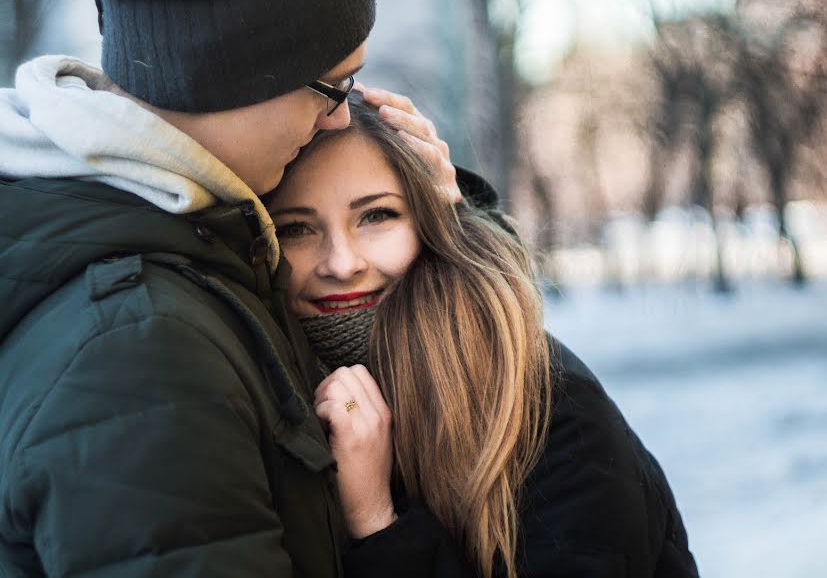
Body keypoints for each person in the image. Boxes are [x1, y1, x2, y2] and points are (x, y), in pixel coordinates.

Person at [0, 0, 457, 575]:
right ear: (228, 73)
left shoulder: (187, 250)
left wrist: (454, 244)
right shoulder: (143, 352)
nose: (341, 117)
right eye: (331, 87)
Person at [264, 97, 701, 577]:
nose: (343, 263)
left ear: (431, 223)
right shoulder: (257, 384)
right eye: (297, 228)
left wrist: (377, 521)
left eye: (376, 216)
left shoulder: (542, 406)